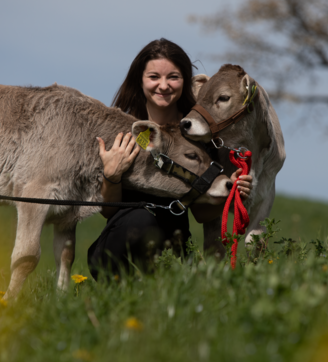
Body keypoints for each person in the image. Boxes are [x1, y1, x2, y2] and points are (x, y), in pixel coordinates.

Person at [87, 38, 252, 279]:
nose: (163, 86)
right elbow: (108, 211)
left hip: (173, 246)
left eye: (173, 77)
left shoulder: (199, 133)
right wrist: (111, 176)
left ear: (185, 81)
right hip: (119, 242)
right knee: (142, 221)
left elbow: (199, 214)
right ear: (140, 80)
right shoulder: (122, 129)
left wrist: (229, 192)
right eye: (154, 77)